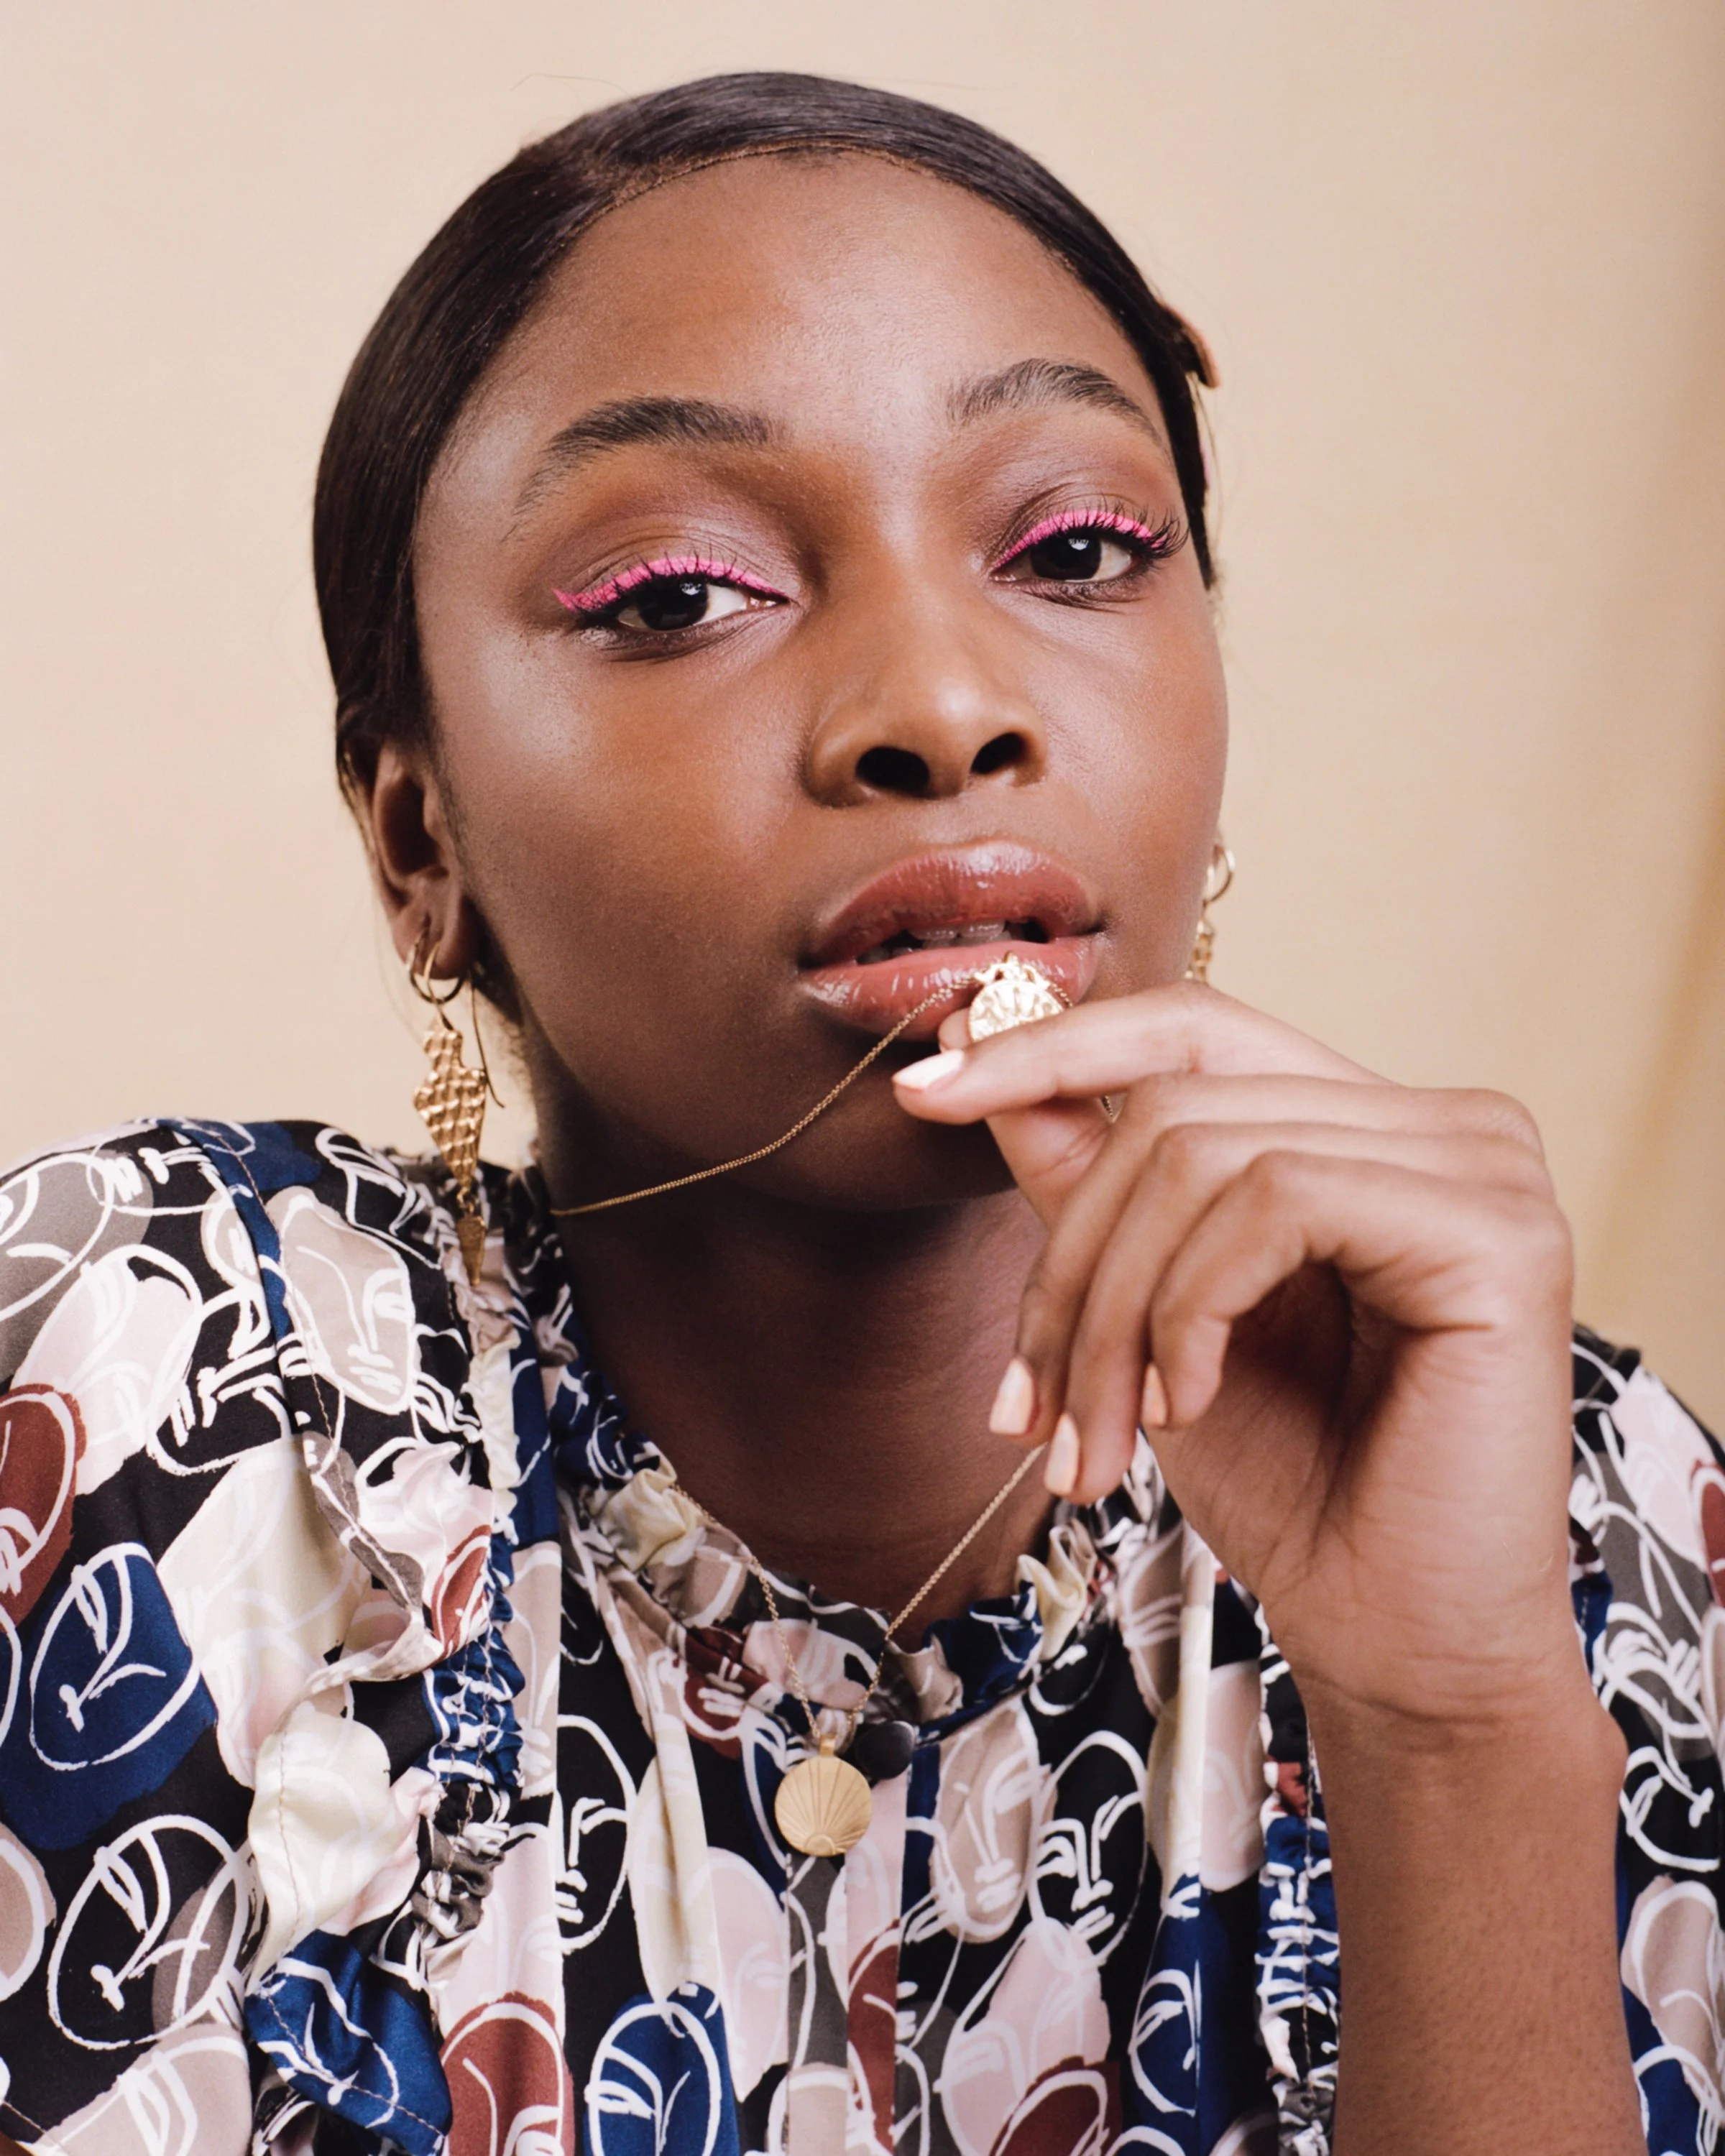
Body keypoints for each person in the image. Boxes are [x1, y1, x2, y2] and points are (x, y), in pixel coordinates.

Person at [0, 70, 1716, 2156]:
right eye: (675, 596)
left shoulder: (1591, 1516)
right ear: (415, 838)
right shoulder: (155, 1401)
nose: (944, 706)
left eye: (1077, 549)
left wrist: (1456, 1734)